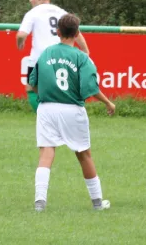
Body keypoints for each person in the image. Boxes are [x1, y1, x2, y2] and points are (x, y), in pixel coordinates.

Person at [28, 13, 115, 212]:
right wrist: (108, 103)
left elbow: (32, 83)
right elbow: (90, 88)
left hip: (47, 109)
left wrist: (45, 94)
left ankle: (40, 202)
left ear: (57, 32)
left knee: (46, 154)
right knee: (84, 155)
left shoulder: (46, 53)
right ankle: (97, 203)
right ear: (76, 34)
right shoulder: (81, 57)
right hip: (72, 110)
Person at [17, 0, 90, 112]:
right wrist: (85, 51)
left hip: (40, 58)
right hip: (60, 57)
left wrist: (20, 42)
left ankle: (43, 115)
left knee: (31, 87)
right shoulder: (61, 12)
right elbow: (76, 33)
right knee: (59, 91)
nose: (30, 0)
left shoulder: (33, 13)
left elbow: (21, 34)